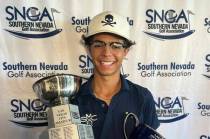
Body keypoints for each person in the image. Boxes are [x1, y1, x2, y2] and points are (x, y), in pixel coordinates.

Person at [71, 11, 160, 139]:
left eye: (116, 46)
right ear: (88, 49)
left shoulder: (143, 97)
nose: (106, 53)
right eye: (98, 44)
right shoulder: (72, 100)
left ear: (126, 51)